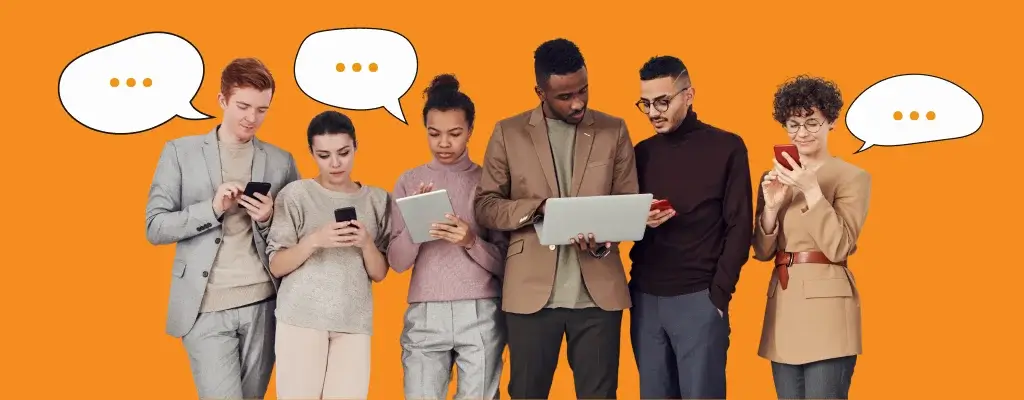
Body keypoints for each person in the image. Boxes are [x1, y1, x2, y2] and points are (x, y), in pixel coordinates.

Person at [474, 38, 639, 400]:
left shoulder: (614, 130)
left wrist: (604, 239)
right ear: (540, 92)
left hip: (598, 297)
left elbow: (627, 203)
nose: (577, 102)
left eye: (583, 90)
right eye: (565, 96)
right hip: (531, 294)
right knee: (527, 393)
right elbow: (485, 206)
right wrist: (538, 208)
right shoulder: (508, 132)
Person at [144, 57, 300, 399]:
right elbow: (155, 226)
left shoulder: (281, 160)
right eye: (243, 106)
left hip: (264, 305)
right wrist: (212, 209)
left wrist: (268, 218)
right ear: (222, 100)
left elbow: (294, 236)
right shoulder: (179, 153)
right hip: (204, 307)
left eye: (262, 109)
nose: (252, 118)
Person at [628, 55, 753, 400]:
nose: (654, 112)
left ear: (689, 94)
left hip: (699, 298)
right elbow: (620, 216)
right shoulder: (640, 153)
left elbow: (740, 225)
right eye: (646, 103)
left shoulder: (727, 146)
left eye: (663, 101)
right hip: (645, 298)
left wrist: (719, 295)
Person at [387, 73, 510, 400]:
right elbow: (396, 263)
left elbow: (507, 261)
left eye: (455, 133)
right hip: (426, 312)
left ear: (470, 130)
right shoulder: (408, 181)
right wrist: (419, 223)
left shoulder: (488, 181)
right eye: (434, 133)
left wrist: (470, 239)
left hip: (480, 310)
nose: (444, 143)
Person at [753, 75, 870, 400]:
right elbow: (762, 251)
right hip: (784, 302)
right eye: (793, 124)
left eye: (811, 122)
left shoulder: (852, 177)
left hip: (828, 306)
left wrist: (811, 190)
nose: (801, 133)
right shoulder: (773, 176)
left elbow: (840, 245)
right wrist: (771, 209)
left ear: (830, 122)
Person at [264, 110, 392, 399]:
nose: (335, 163)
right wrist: (315, 240)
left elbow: (380, 273)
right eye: (324, 155)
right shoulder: (296, 194)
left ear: (356, 147)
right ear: (311, 152)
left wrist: (366, 243)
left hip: (354, 322)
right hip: (300, 319)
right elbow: (276, 264)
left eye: (343, 152)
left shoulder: (378, 199)